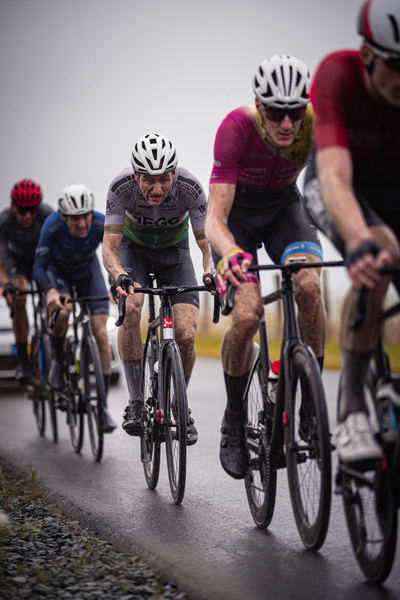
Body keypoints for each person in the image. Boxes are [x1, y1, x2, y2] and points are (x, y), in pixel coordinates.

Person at [205, 54, 327, 480]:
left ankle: (310, 404)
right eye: (276, 112)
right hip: (236, 217)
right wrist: (231, 253)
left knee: (310, 288)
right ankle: (235, 417)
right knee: (246, 314)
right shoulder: (235, 129)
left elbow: (336, 183)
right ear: (259, 105)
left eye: (296, 111)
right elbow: (214, 218)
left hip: (283, 210)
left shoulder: (313, 125)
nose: (287, 124)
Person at [304, 0, 400, 464]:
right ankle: (352, 409)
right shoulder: (337, 75)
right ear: (367, 55)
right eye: (395, 65)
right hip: (339, 182)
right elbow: (336, 176)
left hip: (393, 187)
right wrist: (360, 243)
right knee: (380, 254)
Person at [102, 133, 211, 445]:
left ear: (174, 174)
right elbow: (109, 248)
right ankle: (136, 402)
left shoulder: (190, 187)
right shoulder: (120, 187)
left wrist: (209, 271)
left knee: (186, 333)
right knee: (132, 309)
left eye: (164, 179)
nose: (157, 188)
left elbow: (207, 245)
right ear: (136, 175)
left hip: (174, 255)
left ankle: (180, 405)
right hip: (132, 253)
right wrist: (120, 275)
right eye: (148, 180)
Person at [32, 183, 117, 433]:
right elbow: (38, 266)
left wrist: (114, 283)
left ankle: (101, 408)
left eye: (86, 217)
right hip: (58, 273)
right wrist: (50, 291)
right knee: (64, 310)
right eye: (75, 219)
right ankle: (59, 359)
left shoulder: (101, 223)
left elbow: (114, 256)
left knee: (101, 332)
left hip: (88, 273)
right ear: (63, 217)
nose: (82, 225)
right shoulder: (52, 225)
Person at [0, 179, 53, 382]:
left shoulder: (48, 215)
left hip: (42, 259)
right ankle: (23, 360)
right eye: (22, 210)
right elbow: (1, 268)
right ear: (13, 206)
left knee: (52, 294)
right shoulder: (4, 221)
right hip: (17, 262)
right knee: (19, 295)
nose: (28, 215)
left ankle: (53, 346)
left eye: (33, 210)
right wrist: (7, 287)